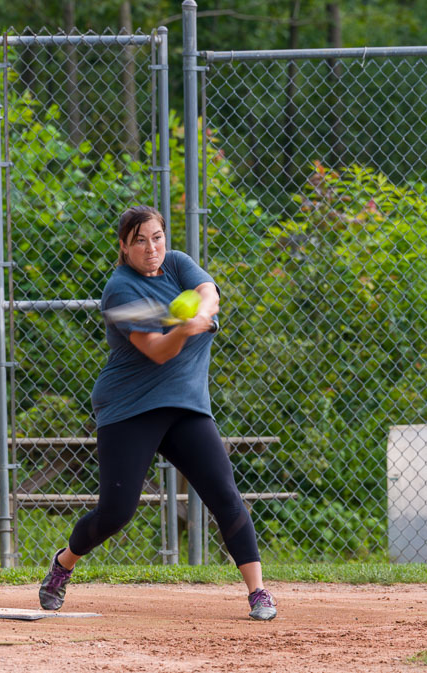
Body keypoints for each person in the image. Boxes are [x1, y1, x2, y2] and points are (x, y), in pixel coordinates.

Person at [38, 205, 277, 621]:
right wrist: (184, 328)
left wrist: (202, 311)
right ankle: (63, 564)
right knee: (116, 512)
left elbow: (210, 293)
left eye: (157, 238)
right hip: (129, 408)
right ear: (124, 247)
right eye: (140, 241)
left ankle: (258, 592)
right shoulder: (120, 288)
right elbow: (158, 350)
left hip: (184, 406)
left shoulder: (178, 264)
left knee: (224, 493)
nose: (152, 248)